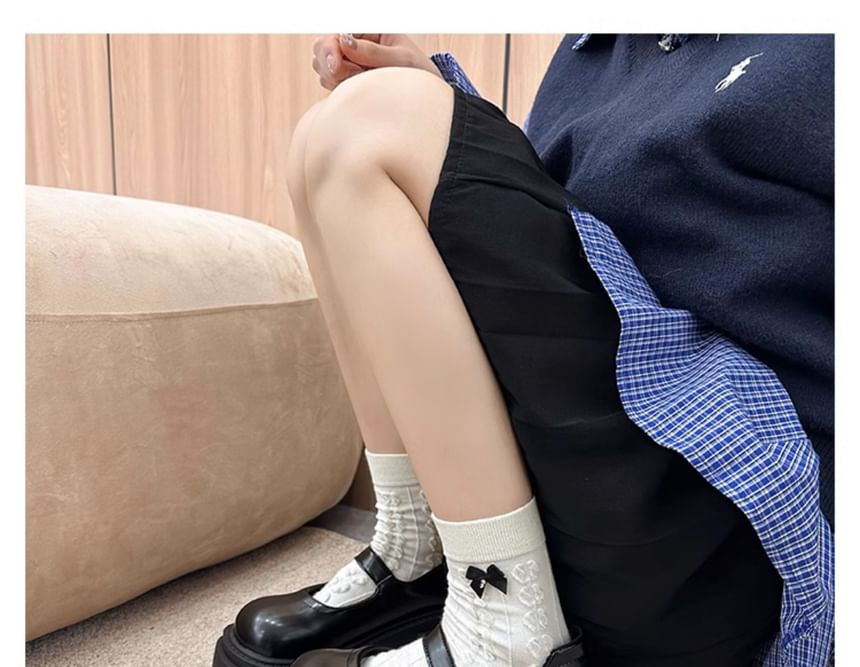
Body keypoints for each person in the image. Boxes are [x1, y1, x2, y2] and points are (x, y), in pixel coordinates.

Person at [212, 33, 834, 667]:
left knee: (369, 125)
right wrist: (438, 103)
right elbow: (569, 229)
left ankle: (504, 632)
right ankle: (420, 544)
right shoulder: (596, 47)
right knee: (329, 133)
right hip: (590, 458)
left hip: (713, 513)